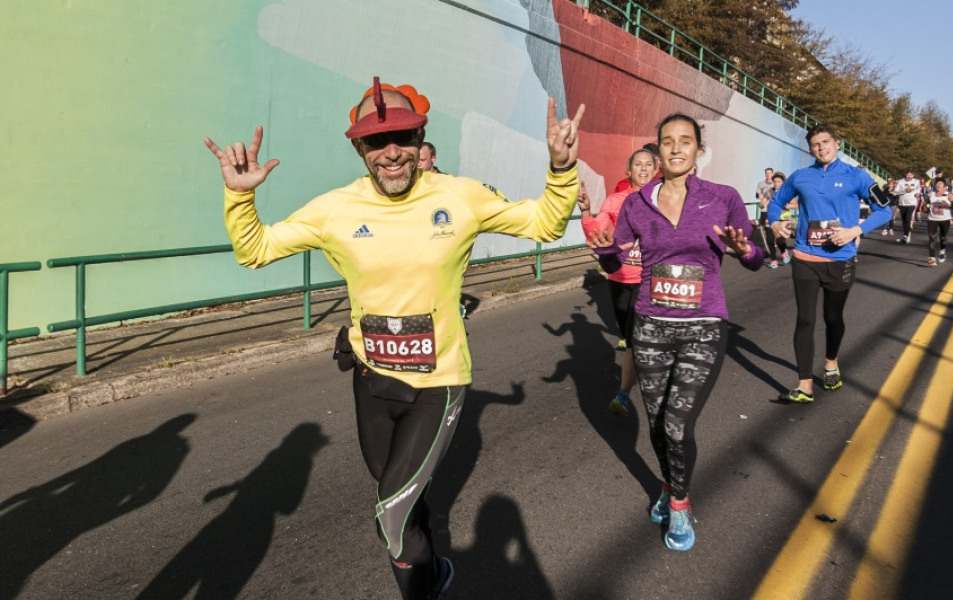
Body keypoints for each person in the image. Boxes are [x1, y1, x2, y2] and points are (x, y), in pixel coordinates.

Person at [203, 78, 584, 600]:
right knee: (404, 500)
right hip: (372, 379)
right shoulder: (335, 208)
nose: (391, 153)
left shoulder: (461, 196)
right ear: (358, 148)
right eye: (375, 142)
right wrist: (240, 197)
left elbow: (545, 222)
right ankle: (434, 576)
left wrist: (561, 169)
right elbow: (256, 250)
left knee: (392, 510)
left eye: (402, 137)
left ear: (420, 136)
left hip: (439, 381)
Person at [587, 113, 763, 551]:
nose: (677, 148)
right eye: (668, 141)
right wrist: (606, 248)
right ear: (658, 149)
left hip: (703, 326)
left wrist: (746, 250)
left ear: (698, 149)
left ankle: (680, 504)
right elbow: (614, 263)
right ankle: (669, 484)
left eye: (686, 141)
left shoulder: (723, 198)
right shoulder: (636, 203)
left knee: (678, 424)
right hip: (650, 326)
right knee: (656, 422)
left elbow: (756, 257)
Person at [769, 124, 893, 404]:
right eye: (815, 144)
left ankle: (831, 363)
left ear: (837, 144)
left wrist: (854, 231)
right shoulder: (801, 177)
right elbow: (775, 203)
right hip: (805, 257)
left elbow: (884, 209)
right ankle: (804, 386)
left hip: (840, 259)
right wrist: (776, 223)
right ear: (810, 149)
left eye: (826, 142)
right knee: (805, 319)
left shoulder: (856, 176)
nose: (821, 147)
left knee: (832, 318)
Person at [579, 147, 656, 415]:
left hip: (651, 279)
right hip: (621, 277)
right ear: (628, 171)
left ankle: (624, 392)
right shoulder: (615, 200)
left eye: (648, 164)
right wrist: (587, 212)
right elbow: (598, 232)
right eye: (638, 165)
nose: (644, 169)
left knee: (637, 338)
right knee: (628, 332)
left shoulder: (663, 199)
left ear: (655, 169)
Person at [925, 180, 953, 266]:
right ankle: (932, 258)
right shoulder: (931, 195)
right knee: (932, 238)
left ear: (944, 187)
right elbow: (925, 205)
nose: (938, 188)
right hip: (932, 219)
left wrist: (947, 204)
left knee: (943, 237)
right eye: (937, 186)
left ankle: (942, 250)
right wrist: (925, 205)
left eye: (940, 186)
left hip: (945, 219)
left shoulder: (948, 195)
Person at [891, 171, 923, 244]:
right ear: (905, 175)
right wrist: (904, 190)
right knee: (904, 220)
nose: (909, 176)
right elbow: (895, 192)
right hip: (902, 203)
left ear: (913, 175)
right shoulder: (901, 181)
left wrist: (916, 193)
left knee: (908, 219)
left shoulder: (917, 181)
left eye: (911, 175)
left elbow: (918, 189)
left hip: (911, 203)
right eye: (908, 175)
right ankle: (906, 235)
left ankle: (907, 235)